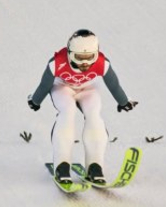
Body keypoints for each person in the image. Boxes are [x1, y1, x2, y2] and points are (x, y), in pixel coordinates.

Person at [28, 29, 137, 184]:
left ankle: (95, 165)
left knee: (95, 116)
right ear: (70, 53)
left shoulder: (102, 63)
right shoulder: (56, 63)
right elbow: (45, 84)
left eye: (89, 57)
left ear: (96, 53)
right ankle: (62, 165)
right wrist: (36, 100)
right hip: (62, 88)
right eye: (80, 57)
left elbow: (113, 84)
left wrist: (123, 101)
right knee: (68, 112)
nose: (85, 63)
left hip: (88, 89)